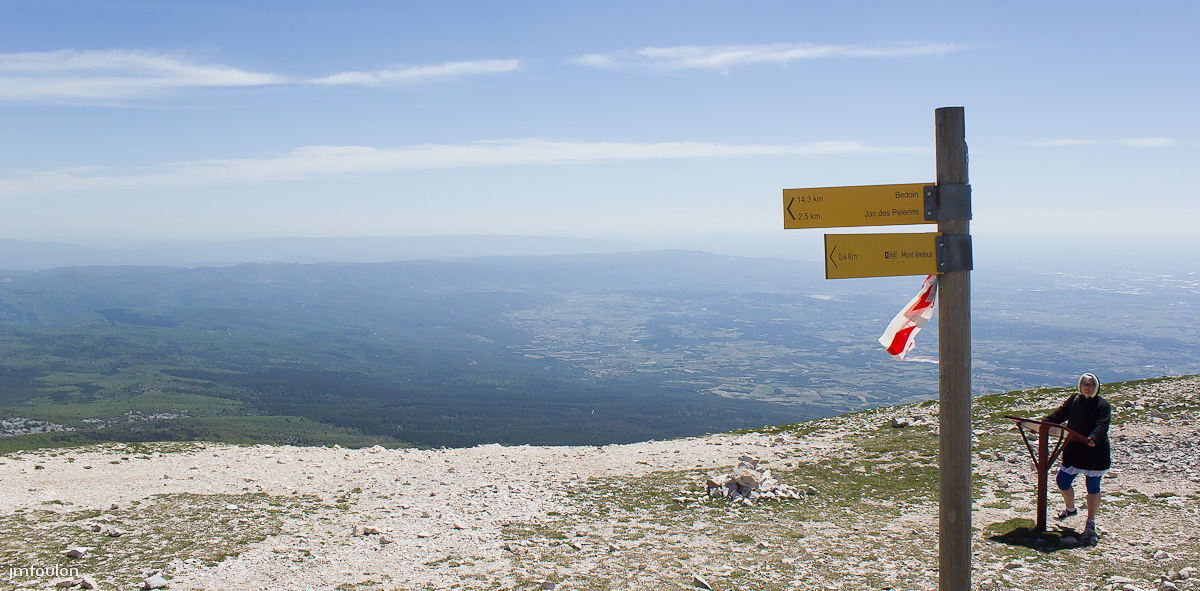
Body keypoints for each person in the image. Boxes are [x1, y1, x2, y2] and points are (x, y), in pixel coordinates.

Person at [1044, 372, 1111, 541]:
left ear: (1096, 386)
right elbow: (1060, 414)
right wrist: (1044, 423)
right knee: (1062, 481)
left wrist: (1093, 439)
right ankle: (1070, 508)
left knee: (1092, 487)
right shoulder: (1074, 400)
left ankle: (1090, 521)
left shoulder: (1102, 405)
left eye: (1090, 384)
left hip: (1094, 453)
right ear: (1080, 386)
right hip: (1074, 450)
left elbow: (1102, 425)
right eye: (1084, 384)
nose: (1087, 387)